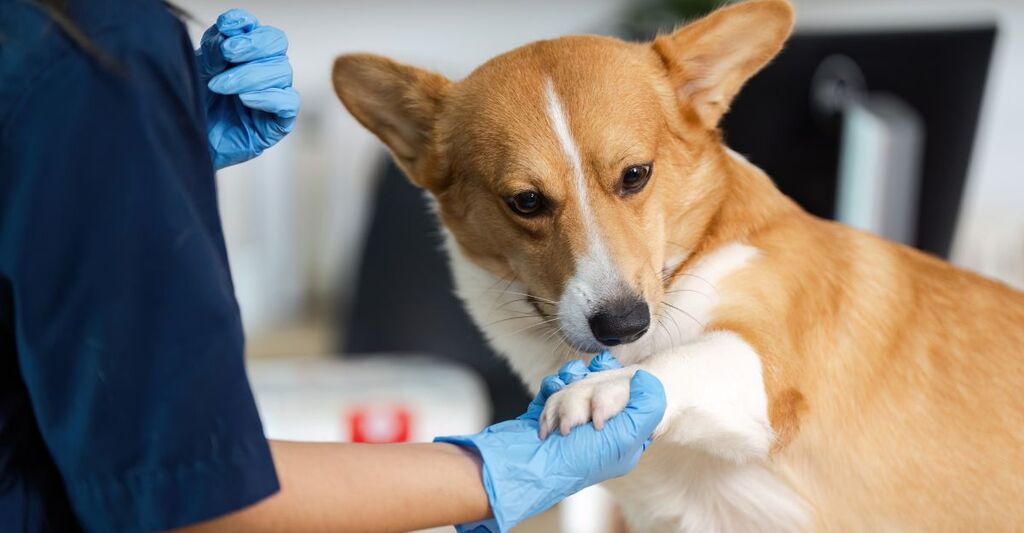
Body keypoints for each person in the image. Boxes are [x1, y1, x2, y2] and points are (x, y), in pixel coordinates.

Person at [0, 1, 667, 531]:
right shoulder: (92, 45)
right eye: (527, 200)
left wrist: (124, 173)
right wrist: (503, 469)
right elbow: (193, 494)